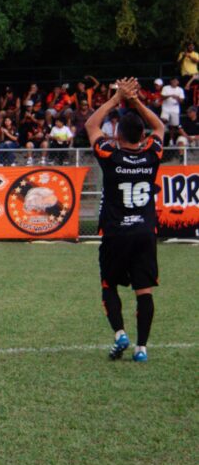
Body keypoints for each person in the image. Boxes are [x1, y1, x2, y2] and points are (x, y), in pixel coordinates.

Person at [85, 77, 165, 362]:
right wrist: (135, 101)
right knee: (143, 290)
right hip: (144, 231)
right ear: (142, 135)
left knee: (109, 285)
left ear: (117, 134)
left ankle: (120, 334)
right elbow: (160, 127)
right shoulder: (151, 153)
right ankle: (141, 348)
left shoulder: (110, 155)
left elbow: (91, 126)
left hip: (116, 233)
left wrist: (116, 99)